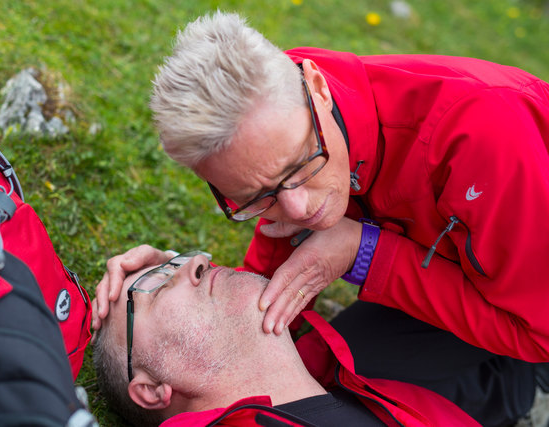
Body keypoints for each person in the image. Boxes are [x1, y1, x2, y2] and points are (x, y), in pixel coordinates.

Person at [93, 11, 549, 425]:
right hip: (482, 279)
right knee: (327, 363)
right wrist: (163, 279)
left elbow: (540, 335)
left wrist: (365, 252)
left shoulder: (482, 135)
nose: (298, 210)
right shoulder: (268, 119)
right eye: (257, 196)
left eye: (301, 165)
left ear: (318, 88)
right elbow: (267, 301)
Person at [92, 247, 480, 426]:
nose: (199, 260)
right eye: (156, 290)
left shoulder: (362, 355)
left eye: (178, 260)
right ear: (152, 388)